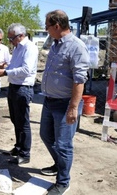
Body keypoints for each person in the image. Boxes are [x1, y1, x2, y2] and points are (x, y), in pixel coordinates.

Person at [39, 10, 89, 195]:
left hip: (65, 104)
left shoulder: (76, 46)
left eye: (47, 26)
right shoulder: (55, 44)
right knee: (46, 135)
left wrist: (73, 108)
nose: (46, 30)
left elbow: (79, 80)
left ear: (57, 26)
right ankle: (59, 165)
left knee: (63, 144)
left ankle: (63, 182)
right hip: (49, 101)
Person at [0, 23, 38, 165]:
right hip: (14, 87)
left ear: (20, 36)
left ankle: (25, 154)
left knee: (23, 122)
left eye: (11, 38)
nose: (10, 41)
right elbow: (15, 66)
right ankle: (18, 147)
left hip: (23, 88)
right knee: (15, 119)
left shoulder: (29, 48)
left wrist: (5, 72)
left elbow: (25, 70)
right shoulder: (18, 48)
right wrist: (5, 67)